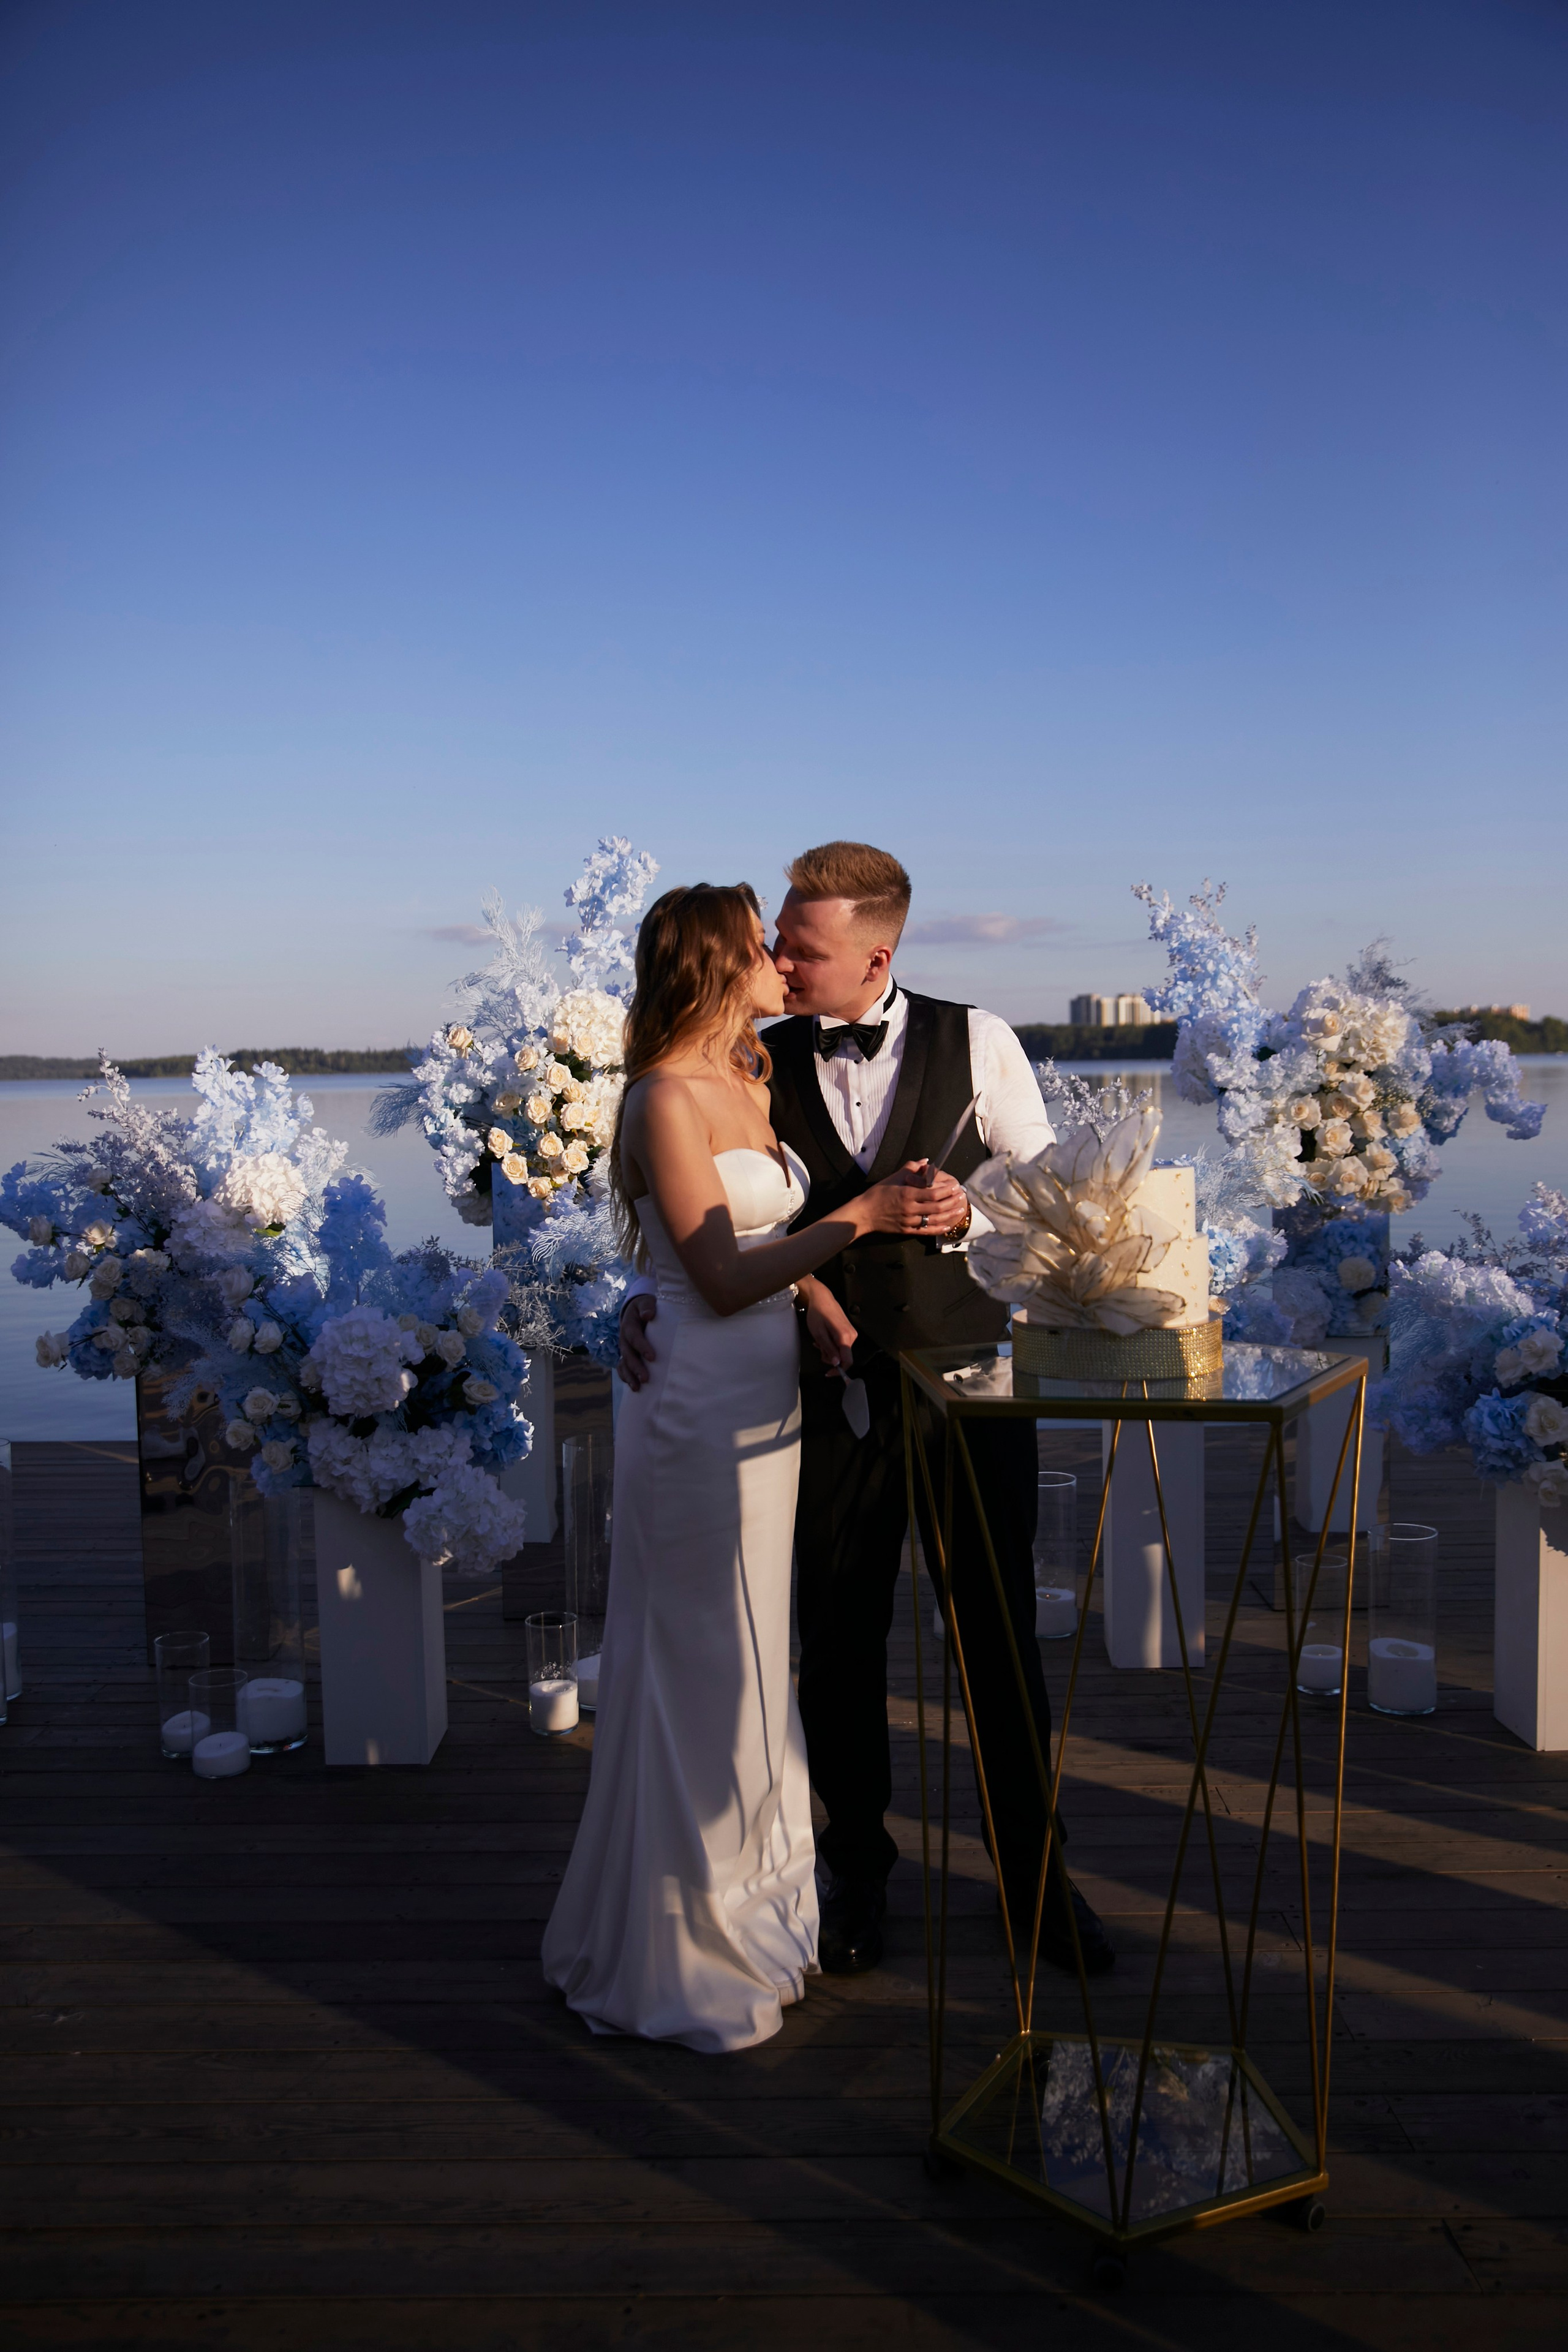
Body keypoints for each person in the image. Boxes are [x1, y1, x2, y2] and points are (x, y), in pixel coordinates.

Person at [620, 842, 1115, 1981]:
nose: (783, 962)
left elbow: (1053, 1198)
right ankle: (854, 1872)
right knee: (837, 1639)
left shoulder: (980, 1040)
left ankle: (1037, 1880)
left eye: (803, 948)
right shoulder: (752, 1057)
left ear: (876, 957)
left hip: (968, 1386)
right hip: (815, 1393)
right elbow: (691, 1215)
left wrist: (969, 1215)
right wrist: (638, 1303)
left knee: (998, 1637)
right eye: (778, 944)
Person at [541, 881, 957, 2053]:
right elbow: (718, 1277)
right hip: (692, 1404)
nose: (781, 956)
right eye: (761, 944)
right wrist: (861, 1221)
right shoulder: (664, 1097)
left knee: (759, 1646)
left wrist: (815, 1290)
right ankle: (680, 1941)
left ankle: (761, 1906)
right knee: (699, 1653)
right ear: (718, 964)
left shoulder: (749, 1075)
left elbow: (758, 1238)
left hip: (768, 1397)